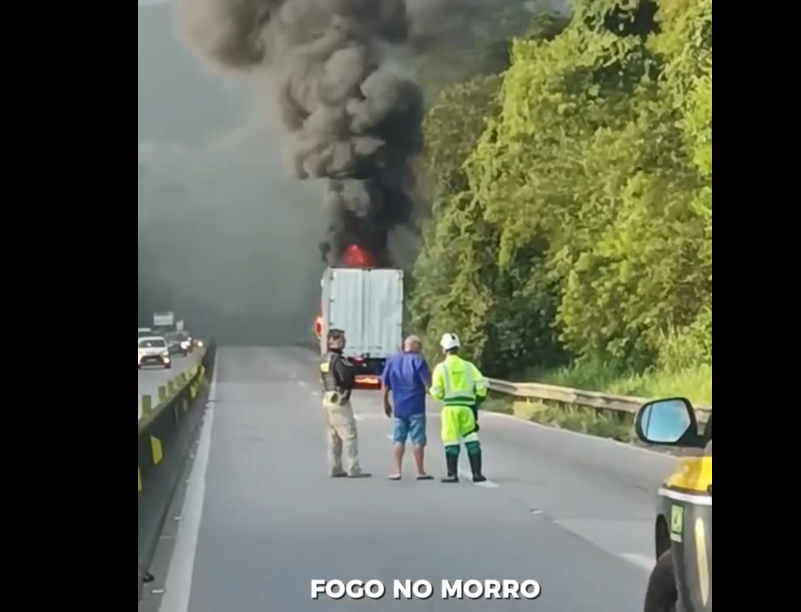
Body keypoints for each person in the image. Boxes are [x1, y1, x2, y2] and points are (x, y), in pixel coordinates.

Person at [429, 333, 488, 483]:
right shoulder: (469, 366)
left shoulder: (441, 368)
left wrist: (436, 394)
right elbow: (482, 385)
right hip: (467, 408)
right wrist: (477, 401)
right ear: (458, 348)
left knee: (451, 440)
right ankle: (477, 474)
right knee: (471, 438)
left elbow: (436, 392)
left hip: (450, 408)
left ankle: (452, 474)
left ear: (444, 349)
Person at [320, 328, 371, 478]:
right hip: (339, 399)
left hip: (328, 398)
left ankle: (335, 467)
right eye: (340, 339)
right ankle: (353, 468)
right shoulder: (338, 359)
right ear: (332, 340)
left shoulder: (325, 358)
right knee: (349, 434)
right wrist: (358, 368)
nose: (344, 342)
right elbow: (345, 375)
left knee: (334, 436)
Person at [381, 335, 433, 481]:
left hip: (399, 407)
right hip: (416, 406)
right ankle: (420, 471)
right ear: (415, 346)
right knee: (418, 441)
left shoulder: (393, 361)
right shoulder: (419, 361)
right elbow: (427, 384)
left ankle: (397, 471)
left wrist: (385, 402)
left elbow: (385, 384)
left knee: (399, 439)